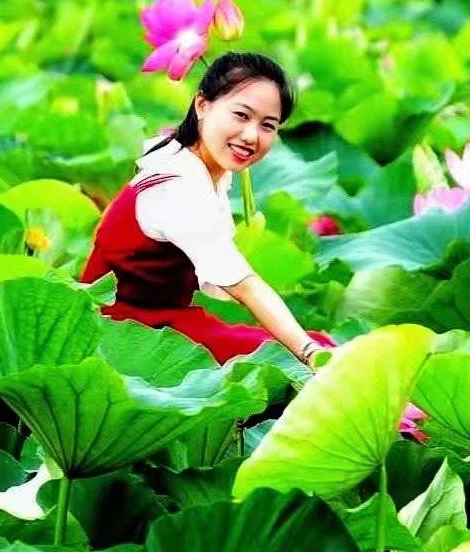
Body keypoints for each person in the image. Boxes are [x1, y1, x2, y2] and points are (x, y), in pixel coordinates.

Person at [79, 52, 334, 366]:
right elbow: (244, 286)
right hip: (124, 337)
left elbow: (214, 282)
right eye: (241, 115)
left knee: (312, 345)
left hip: (161, 325)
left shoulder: (194, 162)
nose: (252, 136)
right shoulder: (178, 186)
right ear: (202, 105)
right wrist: (310, 354)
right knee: (303, 356)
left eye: (268, 126)